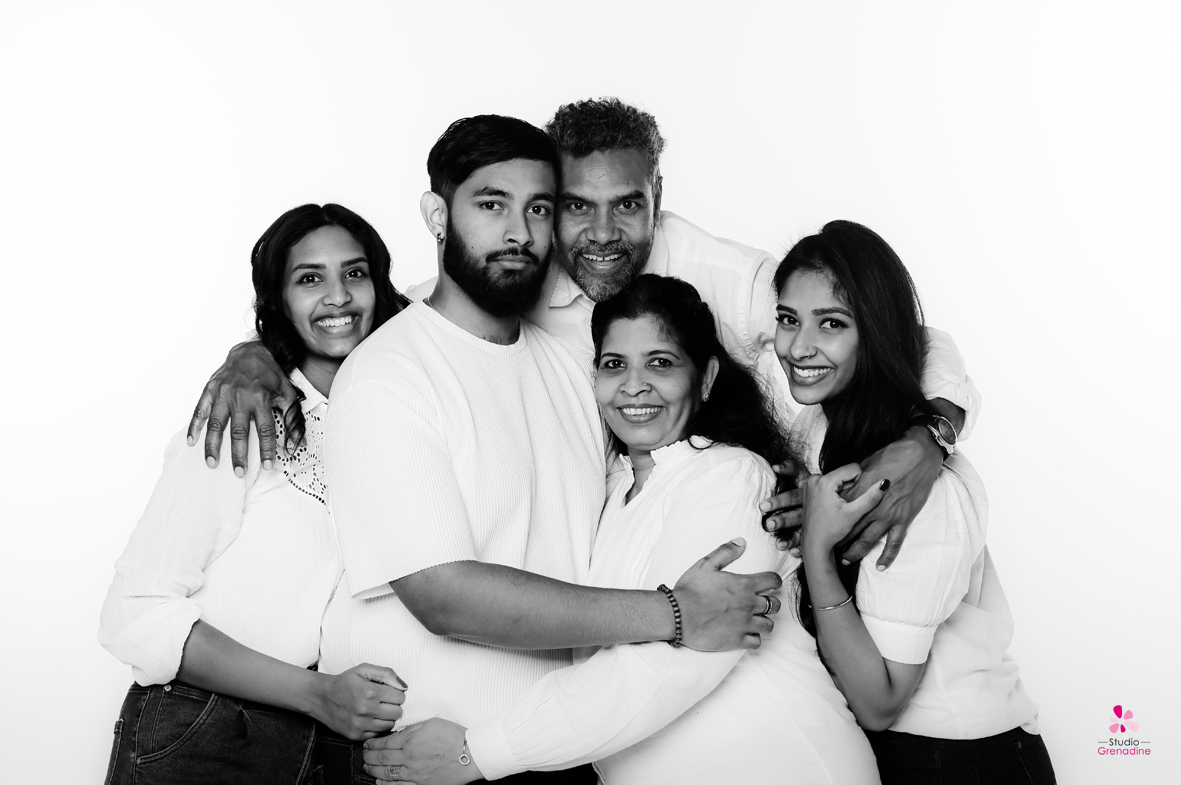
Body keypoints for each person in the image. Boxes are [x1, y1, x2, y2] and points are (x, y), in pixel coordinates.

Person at [184, 98, 980, 575]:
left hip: (728, 534)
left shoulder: (719, 269)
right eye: (571, 206)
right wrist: (256, 352)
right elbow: (364, 321)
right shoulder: (515, 283)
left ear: (656, 195)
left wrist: (928, 435)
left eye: (626, 205)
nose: (601, 234)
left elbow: (897, 332)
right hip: (599, 556)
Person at [314, 116, 783, 784]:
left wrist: (784, 485)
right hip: (421, 756)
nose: (518, 231)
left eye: (537, 208)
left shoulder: (571, 363)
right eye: (490, 204)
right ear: (436, 215)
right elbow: (443, 593)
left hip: (552, 748)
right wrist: (675, 614)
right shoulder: (389, 371)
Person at [359, 275, 881, 785]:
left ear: (705, 378)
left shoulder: (729, 476)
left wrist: (477, 752)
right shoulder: (607, 491)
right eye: (614, 365)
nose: (634, 385)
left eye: (661, 362)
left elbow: (667, 666)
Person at [98, 204, 412, 784]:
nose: (338, 296)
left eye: (356, 272)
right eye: (309, 278)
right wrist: (317, 694)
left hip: (328, 749)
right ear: (278, 302)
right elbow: (133, 614)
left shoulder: (386, 419)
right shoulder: (240, 415)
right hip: (207, 728)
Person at [780, 221, 1056, 784]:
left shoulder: (915, 494)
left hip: (958, 756)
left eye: (831, 324)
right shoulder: (820, 421)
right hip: (885, 750)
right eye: (787, 319)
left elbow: (882, 701)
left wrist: (815, 549)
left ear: (876, 332)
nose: (798, 347)